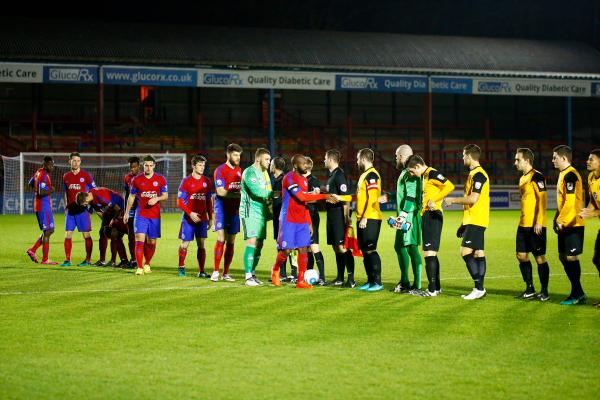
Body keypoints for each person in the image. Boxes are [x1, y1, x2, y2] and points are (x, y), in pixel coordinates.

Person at [271, 154, 333, 288]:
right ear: (295, 165)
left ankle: (300, 280)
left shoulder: (304, 180)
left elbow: (304, 204)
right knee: (286, 250)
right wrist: (325, 195)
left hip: (301, 221)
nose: (306, 166)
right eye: (303, 164)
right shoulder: (289, 178)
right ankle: (275, 270)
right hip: (288, 219)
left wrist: (309, 222)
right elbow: (301, 197)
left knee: (303, 249)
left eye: (306, 164)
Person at [444, 144, 490, 300]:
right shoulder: (474, 174)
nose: (462, 158)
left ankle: (479, 288)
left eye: (463, 155)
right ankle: (480, 289)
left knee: (465, 252)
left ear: (470, 156)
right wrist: (463, 223)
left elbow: (473, 199)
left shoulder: (479, 175)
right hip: (473, 220)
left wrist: (453, 200)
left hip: (477, 220)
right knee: (478, 253)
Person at [334, 148, 384, 291]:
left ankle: (378, 282)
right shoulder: (365, 175)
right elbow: (359, 197)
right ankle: (370, 281)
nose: (356, 162)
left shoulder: (372, 175)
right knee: (365, 251)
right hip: (363, 218)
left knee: (370, 249)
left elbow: (373, 198)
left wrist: (365, 217)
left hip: (371, 217)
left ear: (363, 159)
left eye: (357, 159)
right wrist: (340, 197)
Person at [406, 155, 455, 296]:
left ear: (417, 167)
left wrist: (435, 199)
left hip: (433, 214)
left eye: (411, 171)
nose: (411, 174)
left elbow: (449, 185)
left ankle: (432, 290)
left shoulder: (432, 173)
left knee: (428, 253)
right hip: (428, 215)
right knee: (431, 253)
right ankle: (437, 287)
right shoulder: (425, 176)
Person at [513, 148, 550, 301]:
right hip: (523, 225)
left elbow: (543, 200)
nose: (515, 162)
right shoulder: (522, 178)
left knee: (539, 257)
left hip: (536, 225)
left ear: (527, 160)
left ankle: (545, 291)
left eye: (518, 160)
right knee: (521, 255)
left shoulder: (537, 176)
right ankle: (529, 288)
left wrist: (539, 222)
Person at [552, 145, 586, 305]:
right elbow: (563, 201)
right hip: (565, 222)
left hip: (573, 223)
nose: (553, 160)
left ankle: (576, 293)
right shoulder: (563, 174)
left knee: (571, 257)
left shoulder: (571, 175)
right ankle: (578, 292)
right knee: (563, 256)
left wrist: (561, 220)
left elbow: (571, 202)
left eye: (555, 157)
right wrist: (555, 218)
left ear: (564, 158)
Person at [124, 155, 168, 276]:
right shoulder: (136, 180)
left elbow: (165, 195)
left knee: (152, 241)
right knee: (139, 239)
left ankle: (147, 263)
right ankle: (139, 267)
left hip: (154, 216)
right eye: (146, 165)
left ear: (154, 165)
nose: (148, 167)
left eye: (150, 165)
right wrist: (127, 212)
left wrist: (157, 198)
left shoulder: (160, 179)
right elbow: (131, 196)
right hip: (141, 214)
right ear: (143, 165)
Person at [391, 145, 423, 295]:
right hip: (403, 215)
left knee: (411, 248)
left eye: (397, 156)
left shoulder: (410, 173)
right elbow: (403, 194)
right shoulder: (405, 172)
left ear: (403, 157)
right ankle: (404, 281)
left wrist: (403, 214)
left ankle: (416, 285)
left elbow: (411, 196)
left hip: (409, 216)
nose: (396, 158)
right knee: (400, 247)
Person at [240, 148, 273, 286]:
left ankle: (253, 273)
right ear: (258, 158)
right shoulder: (249, 172)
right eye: (267, 159)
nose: (269, 162)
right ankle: (248, 277)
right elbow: (257, 191)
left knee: (259, 244)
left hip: (262, 213)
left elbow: (268, 190)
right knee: (252, 242)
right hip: (250, 212)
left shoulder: (265, 173)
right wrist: (275, 194)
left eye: (270, 160)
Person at [176, 155, 213, 278]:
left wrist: (211, 217)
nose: (202, 168)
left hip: (202, 219)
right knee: (185, 244)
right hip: (188, 219)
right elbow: (180, 202)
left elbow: (208, 201)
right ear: (193, 166)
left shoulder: (206, 181)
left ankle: (201, 271)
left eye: (203, 165)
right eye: (199, 165)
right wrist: (190, 213)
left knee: (201, 244)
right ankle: (181, 267)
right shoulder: (186, 182)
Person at [212, 143, 243, 282]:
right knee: (221, 238)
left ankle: (225, 273)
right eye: (235, 155)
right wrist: (238, 195)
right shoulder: (220, 170)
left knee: (231, 241)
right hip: (222, 209)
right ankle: (215, 271)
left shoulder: (240, 171)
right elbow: (221, 192)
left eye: (239, 155)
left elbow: (241, 191)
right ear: (228, 154)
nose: (238, 158)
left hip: (235, 210)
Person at [324, 149, 354, 287]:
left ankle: (351, 279)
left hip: (338, 217)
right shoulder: (332, 176)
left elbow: (346, 198)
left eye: (325, 158)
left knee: (343, 248)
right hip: (331, 216)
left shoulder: (339, 175)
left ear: (331, 159)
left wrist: (346, 216)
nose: (324, 160)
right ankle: (340, 278)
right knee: (336, 248)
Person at [76, 187, 128, 267]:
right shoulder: (90, 197)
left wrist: (113, 221)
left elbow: (117, 209)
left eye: (84, 204)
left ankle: (113, 261)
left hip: (120, 209)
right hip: (110, 211)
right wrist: (105, 223)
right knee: (103, 232)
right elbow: (98, 211)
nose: (85, 205)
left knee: (114, 233)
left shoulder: (102, 197)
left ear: (86, 199)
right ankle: (102, 260)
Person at [60, 152, 96, 267]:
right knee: (67, 235)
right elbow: (66, 193)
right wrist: (66, 206)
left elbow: (94, 191)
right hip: (70, 211)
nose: (76, 162)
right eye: (74, 160)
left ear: (80, 162)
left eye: (78, 160)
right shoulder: (66, 176)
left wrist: (90, 204)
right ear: (69, 161)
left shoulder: (86, 175)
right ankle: (67, 259)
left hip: (82, 211)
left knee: (86, 235)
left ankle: (88, 259)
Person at [26, 156, 58, 265]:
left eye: (53, 165)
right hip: (42, 207)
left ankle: (33, 250)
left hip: (42, 206)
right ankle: (45, 259)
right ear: (45, 164)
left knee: (49, 230)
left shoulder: (38, 172)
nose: (52, 167)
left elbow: (30, 183)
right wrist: (51, 190)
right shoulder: (43, 175)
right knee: (48, 231)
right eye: (51, 165)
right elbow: (40, 192)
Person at [579, 148, 600, 308]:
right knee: (597, 259)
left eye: (591, 159)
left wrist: (593, 214)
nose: (588, 161)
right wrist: (587, 210)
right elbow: (593, 201)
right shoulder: (591, 177)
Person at [270, 156, 295, 281]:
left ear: (274, 166)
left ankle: (293, 272)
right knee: (279, 244)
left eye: (271, 163)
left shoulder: (284, 179)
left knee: (288, 243)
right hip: (276, 216)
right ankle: (283, 273)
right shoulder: (272, 179)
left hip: (285, 216)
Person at [304, 157, 327, 285]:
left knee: (314, 245)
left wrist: (303, 197)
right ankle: (308, 272)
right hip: (302, 216)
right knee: (307, 247)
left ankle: (322, 277)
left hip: (311, 216)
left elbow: (316, 196)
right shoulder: (300, 180)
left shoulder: (313, 180)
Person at [123, 156, 141, 267]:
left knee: (141, 235)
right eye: (131, 167)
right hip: (131, 209)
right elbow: (127, 194)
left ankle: (142, 260)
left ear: (139, 166)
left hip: (142, 210)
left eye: (134, 167)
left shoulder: (144, 177)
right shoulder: (127, 178)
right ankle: (133, 259)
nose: (132, 169)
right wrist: (126, 210)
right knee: (130, 235)